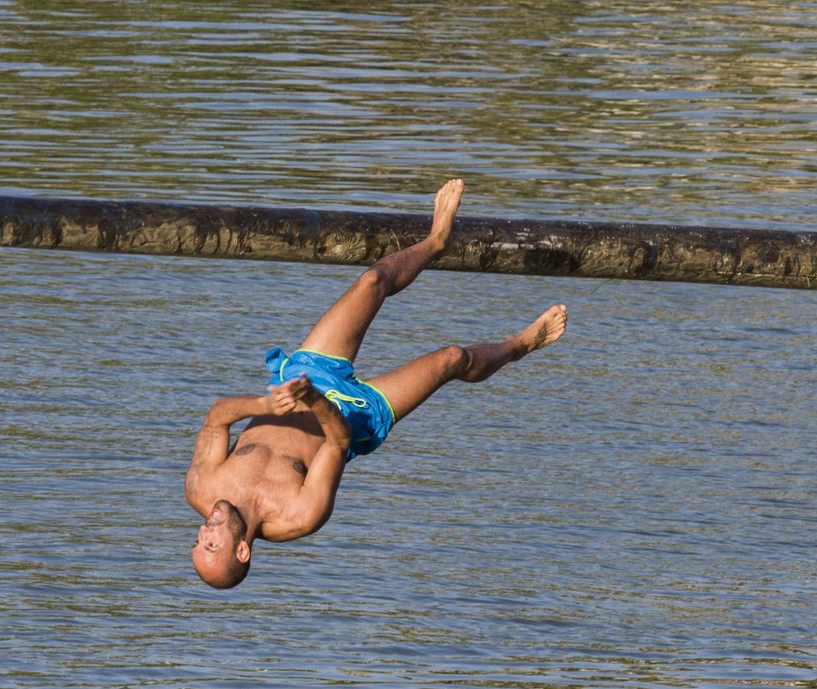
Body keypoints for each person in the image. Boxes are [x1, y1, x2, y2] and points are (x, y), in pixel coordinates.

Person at [185, 178, 567, 587]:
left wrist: (264, 406)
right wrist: (313, 401)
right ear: (242, 550)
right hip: (355, 414)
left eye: (197, 540)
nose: (204, 531)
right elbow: (338, 443)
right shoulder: (298, 516)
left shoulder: (201, 488)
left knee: (372, 281)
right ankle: (521, 345)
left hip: (305, 377)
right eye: (211, 544)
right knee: (451, 359)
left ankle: (436, 241)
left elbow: (217, 416)